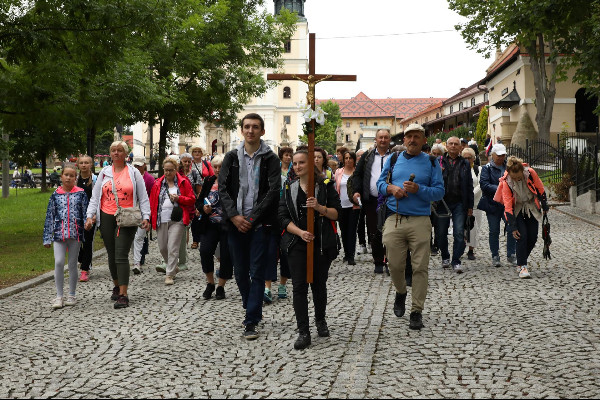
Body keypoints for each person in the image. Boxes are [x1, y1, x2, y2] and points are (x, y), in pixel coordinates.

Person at [219, 113, 281, 340]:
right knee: (240, 272)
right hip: (235, 223)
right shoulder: (231, 157)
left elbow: (273, 191)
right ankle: (250, 303)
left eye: (255, 127)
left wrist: (252, 217)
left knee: (256, 272)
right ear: (241, 130)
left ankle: (251, 319)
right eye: (247, 127)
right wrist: (234, 216)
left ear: (262, 131)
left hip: (260, 224)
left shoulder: (271, 159)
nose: (250, 131)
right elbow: (223, 189)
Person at [377, 124, 444, 330]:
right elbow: (379, 184)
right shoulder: (393, 159)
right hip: (394, 217)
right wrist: (391, 188)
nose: (412, 140)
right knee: (395, 265)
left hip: (420, 220)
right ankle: (401, 291)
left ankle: (416, 311)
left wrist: (419, 189)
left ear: (424, 140)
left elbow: (439, 192)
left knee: (420, 267)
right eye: (409, 137)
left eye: (417, 137)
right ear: (403, 140)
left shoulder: (432, 162)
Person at [279, 150, 342, 349]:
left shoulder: (325, 186)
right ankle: (303, 331)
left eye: (301, 163)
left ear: (310, 164)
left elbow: (336, 213)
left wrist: (320, 208)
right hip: (297, 243)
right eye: (295, 163)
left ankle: (320, 320)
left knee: (318, 284)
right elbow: (282, 217)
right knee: (298, 287)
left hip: (321, 242)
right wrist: (299, 232)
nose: (297, 167)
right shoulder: (289, 187)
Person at [85, 141, 151, 309]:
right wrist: (90, 216)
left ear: (125, 153)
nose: (116, 153)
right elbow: (95, 196)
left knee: (121, 253)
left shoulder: (134, 172)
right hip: (106, 215)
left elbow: (143, 197)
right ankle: (116, 284)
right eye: (113, 150)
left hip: (127, 216)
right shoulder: (104, 173)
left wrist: (146, 217)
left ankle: (123, 293)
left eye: (119, 150)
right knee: (112, 253)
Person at [44, 164, 90, 309]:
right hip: (58, 233)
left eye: (72, 175)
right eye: (66, 175)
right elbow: (50, 216)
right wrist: (47, 237)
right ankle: (59, 295)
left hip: (75, 233)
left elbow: (86, 212)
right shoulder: (55, 194)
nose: (69, 177)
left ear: (75, 178)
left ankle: (72, 294)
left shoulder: (81, 193)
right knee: (58, 262)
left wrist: (88, 224)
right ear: (61, 176)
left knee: (72, 264)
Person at [496, 156, 548, 279]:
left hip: (531, 206)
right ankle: (522, 266)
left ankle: (521, 259)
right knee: (521, 236)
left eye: (519, 177)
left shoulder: (530, 173)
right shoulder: (506, 182)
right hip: (516, 209)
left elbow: (540, 188)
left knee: (533, 237)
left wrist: (545, 206)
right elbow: (508, 206)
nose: (517, 179)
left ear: (522, 172)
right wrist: (513, 227)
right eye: (514, 178)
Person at [351, 129, 392, 273]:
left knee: (391, 232)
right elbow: (357, 175)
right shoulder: (367, 156)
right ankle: (378, 261)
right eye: (380, 137)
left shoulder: (395, 156)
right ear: (376, 139)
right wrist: (357, 191)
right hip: (372, 200)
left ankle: (390, 260)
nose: (383, 140)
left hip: (391, 200)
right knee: (374, 231)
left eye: (386, 137)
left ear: (389, 139)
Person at [149, 158, 195, 285]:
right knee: (163, 247)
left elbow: (191, 199)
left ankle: (169, 274)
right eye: (166, 170)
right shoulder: (158, 183)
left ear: (176, 170)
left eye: (170, 170)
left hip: (177, 219)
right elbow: (152, 202)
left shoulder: (183, 182)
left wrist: (179, 198)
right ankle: (172, 266)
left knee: (172, 247)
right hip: (161, 219)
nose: (168, 173)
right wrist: (149, 218)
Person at [196, 155, 233, 300]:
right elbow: (199, 201)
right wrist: (203, 207)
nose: (218, 170)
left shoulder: (232, 182)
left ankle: (221, 286)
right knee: (205, 251)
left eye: (221, 167)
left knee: (226, 255)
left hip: (227, 224)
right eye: (215, 167)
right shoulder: (209, 181)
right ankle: (210, 283)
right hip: (209, 224)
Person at [435, 136, 474, 273]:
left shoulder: (465, 163)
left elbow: (469, 185)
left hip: (459, 203)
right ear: (446, 146)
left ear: (460, 147)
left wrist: (470, 206)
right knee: (440, 233)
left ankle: (456, 260)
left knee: (459, 232)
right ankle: (445, 256)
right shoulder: (439, 161)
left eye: (456, 144)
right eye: (450, 144)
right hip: (442, 202)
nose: (453, 146)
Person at [477, 144, 516, 267]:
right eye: (498, 155)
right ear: (492, 155)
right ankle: (495, 255)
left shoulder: (509, 167)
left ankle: (511, 254)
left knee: (511, 228)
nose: (501, 157)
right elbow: (484, 184)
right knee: (494, 231)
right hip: (492, 205)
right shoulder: (487, 168)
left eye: (503, 155)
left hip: (507, 204)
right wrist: (501, 188)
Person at [177, 153, 202, 270]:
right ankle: (182, 251)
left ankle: (184, 251)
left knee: (187, 227)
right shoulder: (177, 174)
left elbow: (198, 191)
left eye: (188, 161)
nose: (186, 163)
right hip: (179, 203)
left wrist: (198, 205)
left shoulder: (194, 173)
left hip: (191, 204)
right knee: (182, 228)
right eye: (184, 161)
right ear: (180, 162)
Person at [131, 157, 155, 274]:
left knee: (139, 237)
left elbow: (152, 198)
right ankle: (135, 259)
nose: (137, 168)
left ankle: (137, 262)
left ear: (144, 165)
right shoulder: (129, 176)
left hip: (143, 210)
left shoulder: (149, 179)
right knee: (130, 237)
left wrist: (149, 216)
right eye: (135, 165)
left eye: (139, 166)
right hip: (129, 209)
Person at [334, 151, 359, 265]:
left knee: (352, 231)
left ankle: (351, 256)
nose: (348, 160)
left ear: (354, 160)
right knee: (343, 231)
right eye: (346, 158)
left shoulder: (357, 172)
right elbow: (335, 188)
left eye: (350, 158)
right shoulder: (339, 172)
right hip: (341, 205)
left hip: (353, 206)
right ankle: (346, 253)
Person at [75, 155, 97, 282]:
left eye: (86, 163)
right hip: (76, 216)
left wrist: (94, 215)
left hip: (90, 215)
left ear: (91, 165)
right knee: (76, 242)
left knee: (87, 242)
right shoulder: (75, 179)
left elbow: (98, 197)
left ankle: (84, 269)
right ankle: (83, 260)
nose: (84, 165)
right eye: (81, 163)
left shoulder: (95, 179)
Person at [190, 145, 214, 249]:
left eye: (198, 151)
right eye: (194, 151)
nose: (197, 153)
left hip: (205, 192)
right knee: (195, 216)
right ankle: (195, 239)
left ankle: (204, 236)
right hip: (193, 192)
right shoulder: (189, 164)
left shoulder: (207, 164)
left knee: (203, 214)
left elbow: (212, 176)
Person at [462, 147, 482, 261]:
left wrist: (469, 196)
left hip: (475, 203)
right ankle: (461, 246)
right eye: (465, 157)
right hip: (461, 204)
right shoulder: (460, 169)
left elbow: (481, 185)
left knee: (473, 228)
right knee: (461, 227)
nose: (467, 159)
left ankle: (471, 250)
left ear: (473, 158)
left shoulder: (478, 169)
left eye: (470, 157)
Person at [355, 149, 368, 255]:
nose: (360, 157)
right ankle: (362, 243)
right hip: (358, 198)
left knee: (370, 221)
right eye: (358, 156)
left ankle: (372, 243)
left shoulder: (369, 166)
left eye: (362, 156)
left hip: (369, 197)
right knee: (360, 222)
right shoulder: (356, 169)